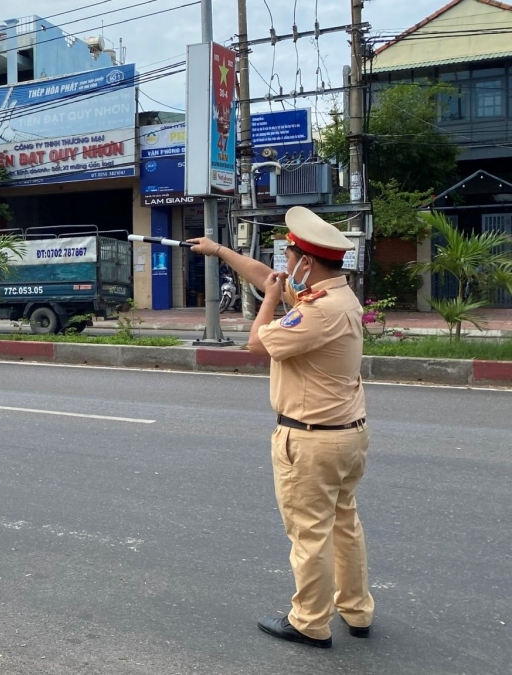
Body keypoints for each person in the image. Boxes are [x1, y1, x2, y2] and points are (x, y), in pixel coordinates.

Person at [188, 206, 373, 649]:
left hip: (312, 441)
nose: (283, 267)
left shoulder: (316, 314)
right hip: (348, 435)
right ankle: (356, 608)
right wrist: (217, 250)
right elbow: (262, 274)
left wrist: (270, 301)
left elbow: (257, 343)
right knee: (343, 525)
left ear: (307, 263)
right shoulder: (337, 297)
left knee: (309, 532)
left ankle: (310, 622)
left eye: (289, 259)